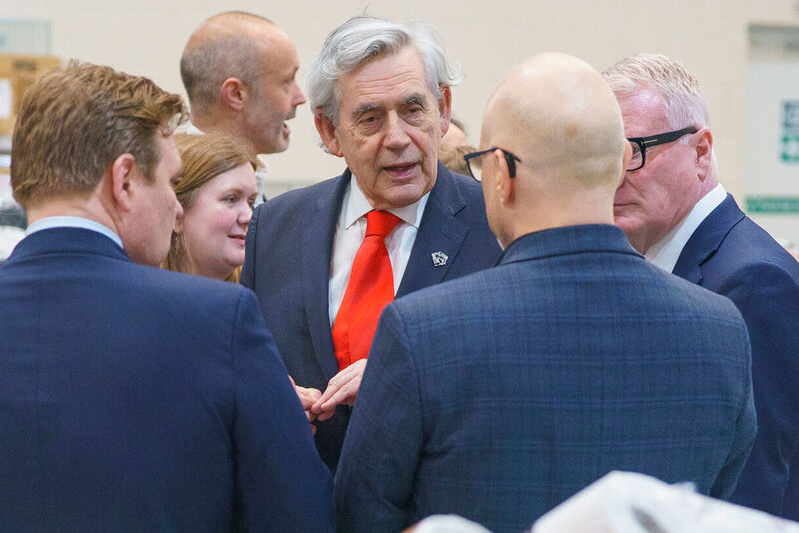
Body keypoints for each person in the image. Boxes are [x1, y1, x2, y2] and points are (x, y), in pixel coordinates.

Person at [334, 53, 756, 533]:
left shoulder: (423, 333)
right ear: (620, 163)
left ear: (502, 175)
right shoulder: (721, 331)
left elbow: (360, 516)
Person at [0, 62, 333, 532]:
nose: (176, 206)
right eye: (170, 182)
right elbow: (298, 514)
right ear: (125, 181)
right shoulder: (215, 318)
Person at [241, 15, 502, 471]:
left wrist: (405, 377)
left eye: (414, 109)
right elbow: (247, 369)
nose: (398, 137)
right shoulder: (274, 229)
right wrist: (266, 391)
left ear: (442, 109)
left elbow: (520, 376)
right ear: (328, 131)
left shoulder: (499, 224)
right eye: (370, 117)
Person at [603, 53, 799, 519]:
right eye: (601, 156)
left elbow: (750, 494)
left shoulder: (752, 282)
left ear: (701, 151)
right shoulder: (669, 263)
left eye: (634, 152)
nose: (612, 176)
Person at [180, 11, 306, 201]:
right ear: (236, 94)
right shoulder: (177, 201)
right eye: (287, 81)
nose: (300, 98)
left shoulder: (251, 184)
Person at [162, 133, 258, 282]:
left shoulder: (265, 296)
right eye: (231, 199)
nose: (249, 216)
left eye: (251, 203)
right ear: (177, 212)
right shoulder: (135, 297)